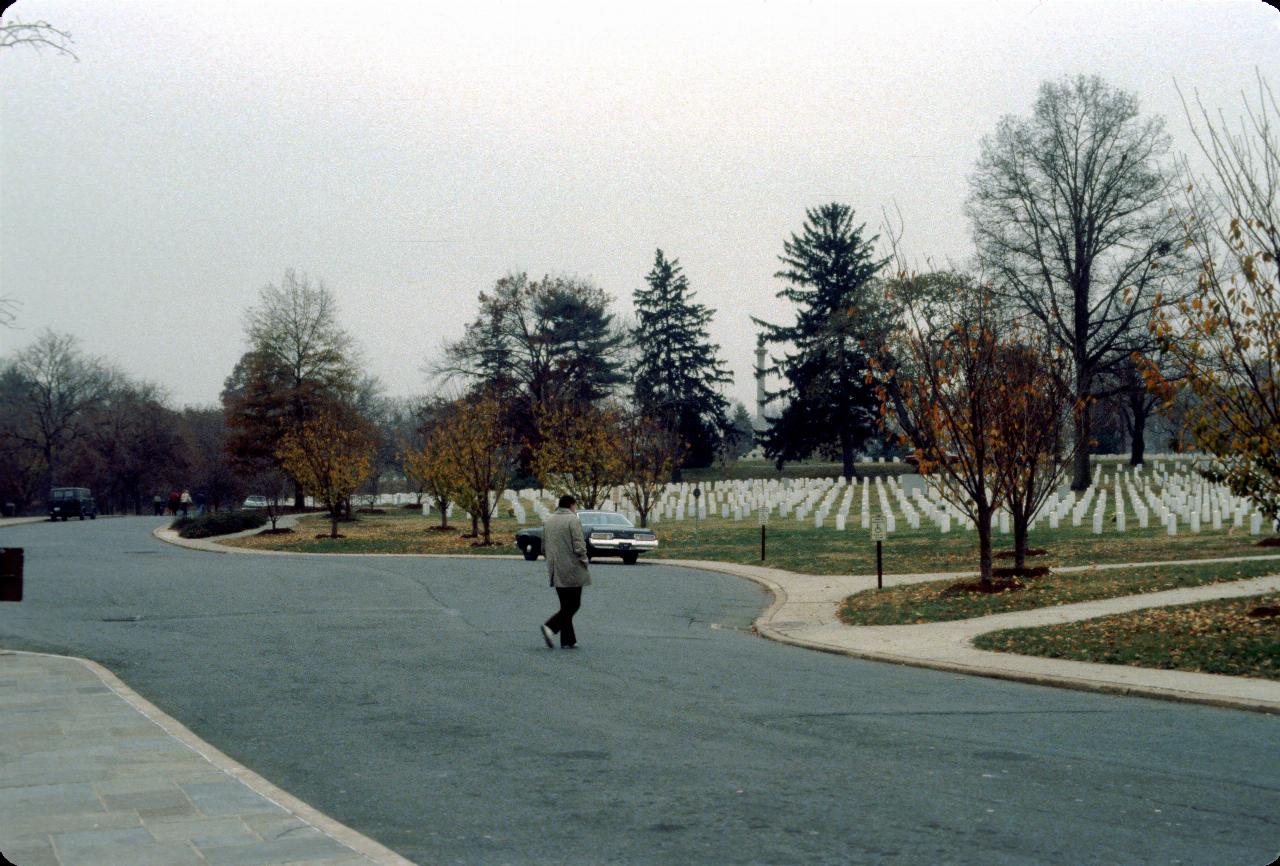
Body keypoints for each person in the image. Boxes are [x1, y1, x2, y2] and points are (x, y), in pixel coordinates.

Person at [540, 494, 590, 649]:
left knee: (565, 604)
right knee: (574, 604)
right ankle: (550, 627)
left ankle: (568, 640)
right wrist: (584, 559)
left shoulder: (548, 521)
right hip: (572, 567)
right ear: (571, 505)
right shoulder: (573, 520)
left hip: (555, 568)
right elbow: (578, 544)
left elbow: (543, 547)